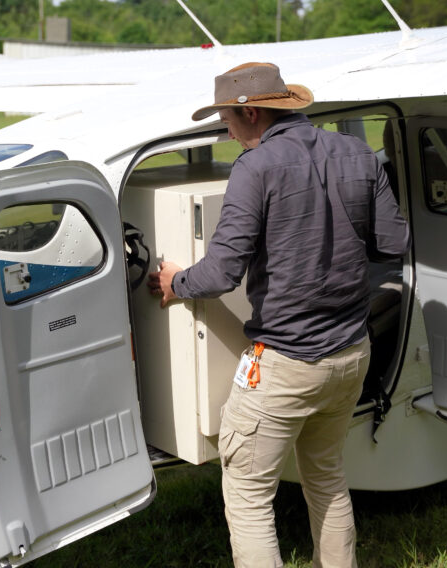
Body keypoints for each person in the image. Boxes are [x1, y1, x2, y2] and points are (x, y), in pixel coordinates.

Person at [147, 62, 410, 568]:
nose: (225, 129)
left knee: (247, 493)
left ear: (250, 112)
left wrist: (176, 282)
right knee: (328, 477)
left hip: (286, 364)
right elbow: (393, 242)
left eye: (227, 117)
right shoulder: (356, 152)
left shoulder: (254, 168)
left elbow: (223, 272)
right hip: (352, 353)